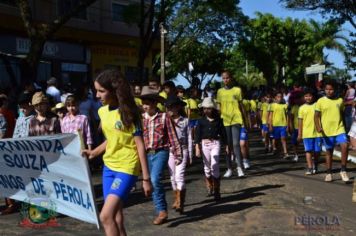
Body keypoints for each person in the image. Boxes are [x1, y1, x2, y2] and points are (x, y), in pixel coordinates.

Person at [82, 70, 151, 236]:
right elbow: (112, 139)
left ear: (114, 90)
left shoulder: (129, 112)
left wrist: (146, 178)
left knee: (105, 216)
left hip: (127, 168)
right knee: (117, 217)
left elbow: (140, 146)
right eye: (95, 90)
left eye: (101, 91)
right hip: (108, 168)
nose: (97, 95)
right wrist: (93, 152)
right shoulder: (102, 112)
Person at [140, 86, 182, 225]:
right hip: (147, 154)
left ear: (154, 103)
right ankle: (160, 211)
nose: (144, 106)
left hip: (161, 152)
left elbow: (172, 136)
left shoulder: (164, 117)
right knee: (152, 182)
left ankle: (162, 210)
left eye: (146, 103)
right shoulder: (141, 119)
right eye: (143, 103)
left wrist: (178, 154)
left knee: (155, 178)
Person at [315, 80, 350, 182]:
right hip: (326, 131)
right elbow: (316, 116)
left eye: (331, 89)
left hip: (339, 129)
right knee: (329, 152)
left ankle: (343, 170)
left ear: (335, 90)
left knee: (345, 145)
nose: (329, 91)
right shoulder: (320, 101)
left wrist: (345, 127)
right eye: (327, 89)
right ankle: (329, 173)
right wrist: (318, 127)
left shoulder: (340, 100)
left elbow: (342, 114)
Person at [216, 70, 247, 178]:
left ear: (231, 78)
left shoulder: (237, 90)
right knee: (228, 146)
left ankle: (239, 167)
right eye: (223, 78)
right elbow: (219, 108)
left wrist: (245, 120)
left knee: (236, 144)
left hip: (236, 120)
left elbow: (241, 106)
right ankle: (229, 168)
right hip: (225, 121)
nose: (225, 80)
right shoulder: (219, 92)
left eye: (227, 78)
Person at [195, 97, 226, 201]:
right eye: (204, 108)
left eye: (209, 108)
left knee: (215, 164)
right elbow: (197, 135)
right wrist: (197, 147)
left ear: (213, 109)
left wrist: (227, 146)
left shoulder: (218, 120)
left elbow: (223, 134)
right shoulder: (200, 121)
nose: (206, 110)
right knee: (207, 167)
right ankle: (209, 186)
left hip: (215, 143)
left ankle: (217, 190)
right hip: (204, 144)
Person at [165, 96, 192, 214]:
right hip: (170, 151)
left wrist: (190, 153)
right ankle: (176, 199)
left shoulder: (185, 121)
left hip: (183, 149)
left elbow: (190, 137)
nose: (170, 109)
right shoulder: (166, 120)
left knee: (179, 176)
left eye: (173, 106)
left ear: (178, 107)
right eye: (168, 107)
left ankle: (180, 202)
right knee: (172, 177)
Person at [298, 89, 321, 175]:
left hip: (317, 133)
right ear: (303, 97)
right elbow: (300, 122)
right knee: (308, 151)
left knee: (317, 151)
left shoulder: (317, 105)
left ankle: (316, 164)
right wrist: (300, 134)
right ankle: (310, 168)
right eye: (306, 96)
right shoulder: (301, 108)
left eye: (310, 96)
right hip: (306, 134)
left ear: (313, 96)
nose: (308, 98)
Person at [268, 91, 289, 158]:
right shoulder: (272, 105)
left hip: (283, 124)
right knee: (277, 140)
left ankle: (286, 152)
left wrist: (288, 125)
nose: (279, 98)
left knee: (283, 138)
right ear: (275, 98)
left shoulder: (285, 105)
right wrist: (270, 125)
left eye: (281, 97)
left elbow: (287, 116)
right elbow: (270, 116)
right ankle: (279, 151)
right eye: (278, 97)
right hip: (275, 125)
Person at [288, 94, 303, 162]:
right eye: (296, 99)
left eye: (299, 98)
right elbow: (291, 118)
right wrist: (291, 127)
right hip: (296, 128)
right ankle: (296, 154)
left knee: (305, 142)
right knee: (294, 142)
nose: (298, 100)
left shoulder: (304, 106)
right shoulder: (294, 107)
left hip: (304, 128)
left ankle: (309, 155)